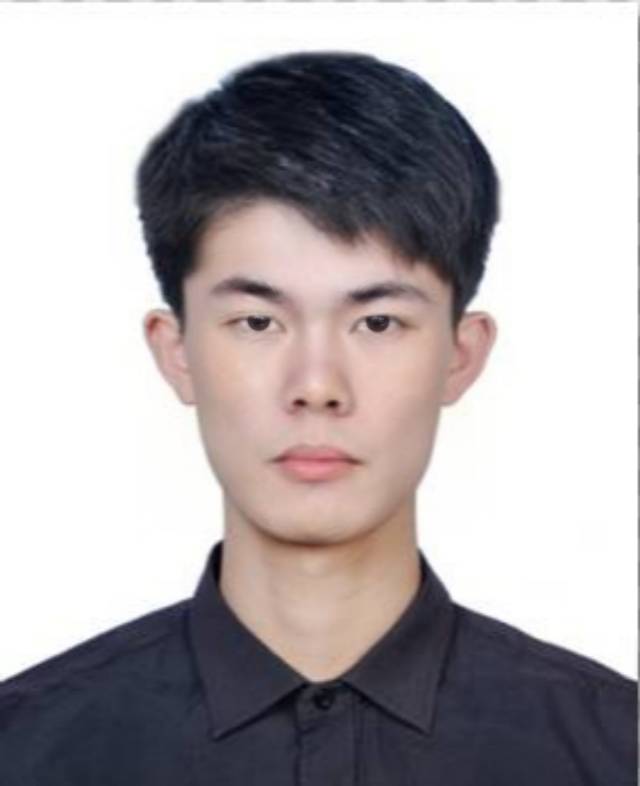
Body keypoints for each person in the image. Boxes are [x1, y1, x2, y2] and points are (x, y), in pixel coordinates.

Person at [0, 50, 635, 784]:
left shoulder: (616, 750)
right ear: (176, 352)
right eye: (258, 322)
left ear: (461, 356)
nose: (317, 387)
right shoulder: (25, 750)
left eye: (378, 323)